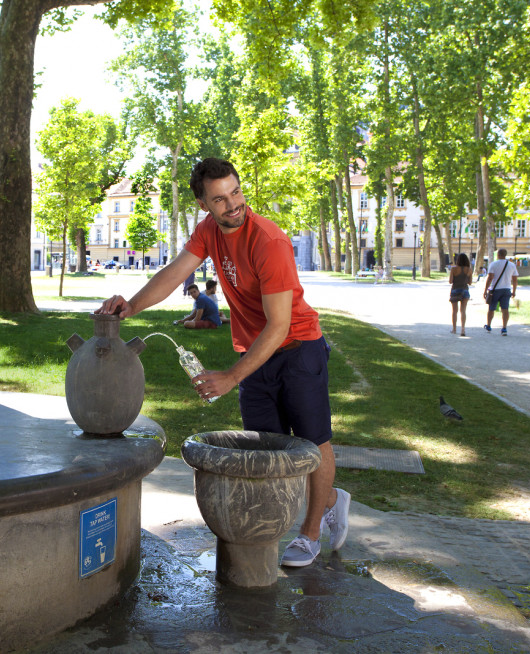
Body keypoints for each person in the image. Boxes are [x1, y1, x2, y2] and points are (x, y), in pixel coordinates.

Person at [97, 157, 349, 568]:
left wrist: (232, 377)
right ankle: (330, 500)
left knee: (312, 444)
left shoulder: (270, 241)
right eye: (220, 199)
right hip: (255, 352)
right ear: (203, 204)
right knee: (270, 452)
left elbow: (279, 324)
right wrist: (133, 306)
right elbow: (175, 272)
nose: (233, 204)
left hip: (298, 347)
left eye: (236, 192)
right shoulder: (208, 232)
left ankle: (310, 532)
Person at [483, 248, 519, 336]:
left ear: (498, 254)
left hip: (495, 289)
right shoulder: (511, 265)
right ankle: (504, 328)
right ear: (505, 255)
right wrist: (514, 291)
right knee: (505, 309)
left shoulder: (493, 264)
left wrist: (485, 290)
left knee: (491, 308)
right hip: (506, 289)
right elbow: (515, 280)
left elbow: (490, 278)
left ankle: (488, 325)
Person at [448, 253, 472, 336]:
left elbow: (450, 281)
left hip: (455, 290)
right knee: (463, 311)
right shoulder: (469, 269)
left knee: (454, 311)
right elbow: (470, 282)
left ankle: (454, 329)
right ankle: (463, 329)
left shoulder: (453, 269)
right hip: (465, 290)